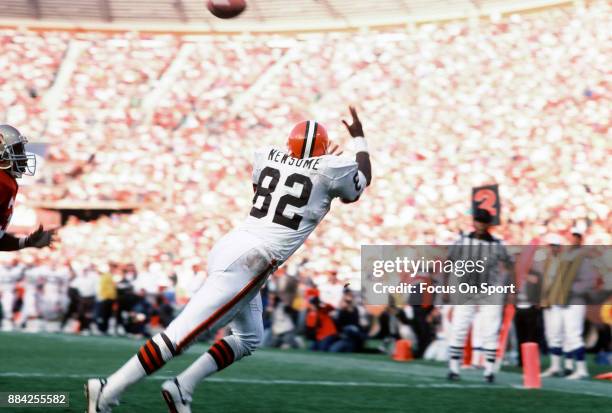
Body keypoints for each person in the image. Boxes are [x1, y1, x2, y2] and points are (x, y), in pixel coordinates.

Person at [86, 106, 372, 413]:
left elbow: (264, 191)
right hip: (250, 260)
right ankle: (107, 390)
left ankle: (182, 387)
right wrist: (359, 139)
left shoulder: (267, 155)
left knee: (249, 338)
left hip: (235, 246)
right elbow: (362, 181)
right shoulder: (332, 169)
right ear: (322, 151)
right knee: (180, 336)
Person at [446, 209, 514, 383]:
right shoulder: (462, 241)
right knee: (459, 327)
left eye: (484, 222)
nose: (481, 225)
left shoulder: (498, 244)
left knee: (491, 329)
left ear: (489, 224)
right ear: (474, 222)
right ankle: (454, 368)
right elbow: (448, 262)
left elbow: (509, 265)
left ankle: (489, 370)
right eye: (478, 221)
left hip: (489, 289)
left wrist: (510, 290)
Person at [0, 125, 55, 251]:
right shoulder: (3, 181)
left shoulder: (7, 181)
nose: (23, 156)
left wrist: (25, 242)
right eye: (17, 150)